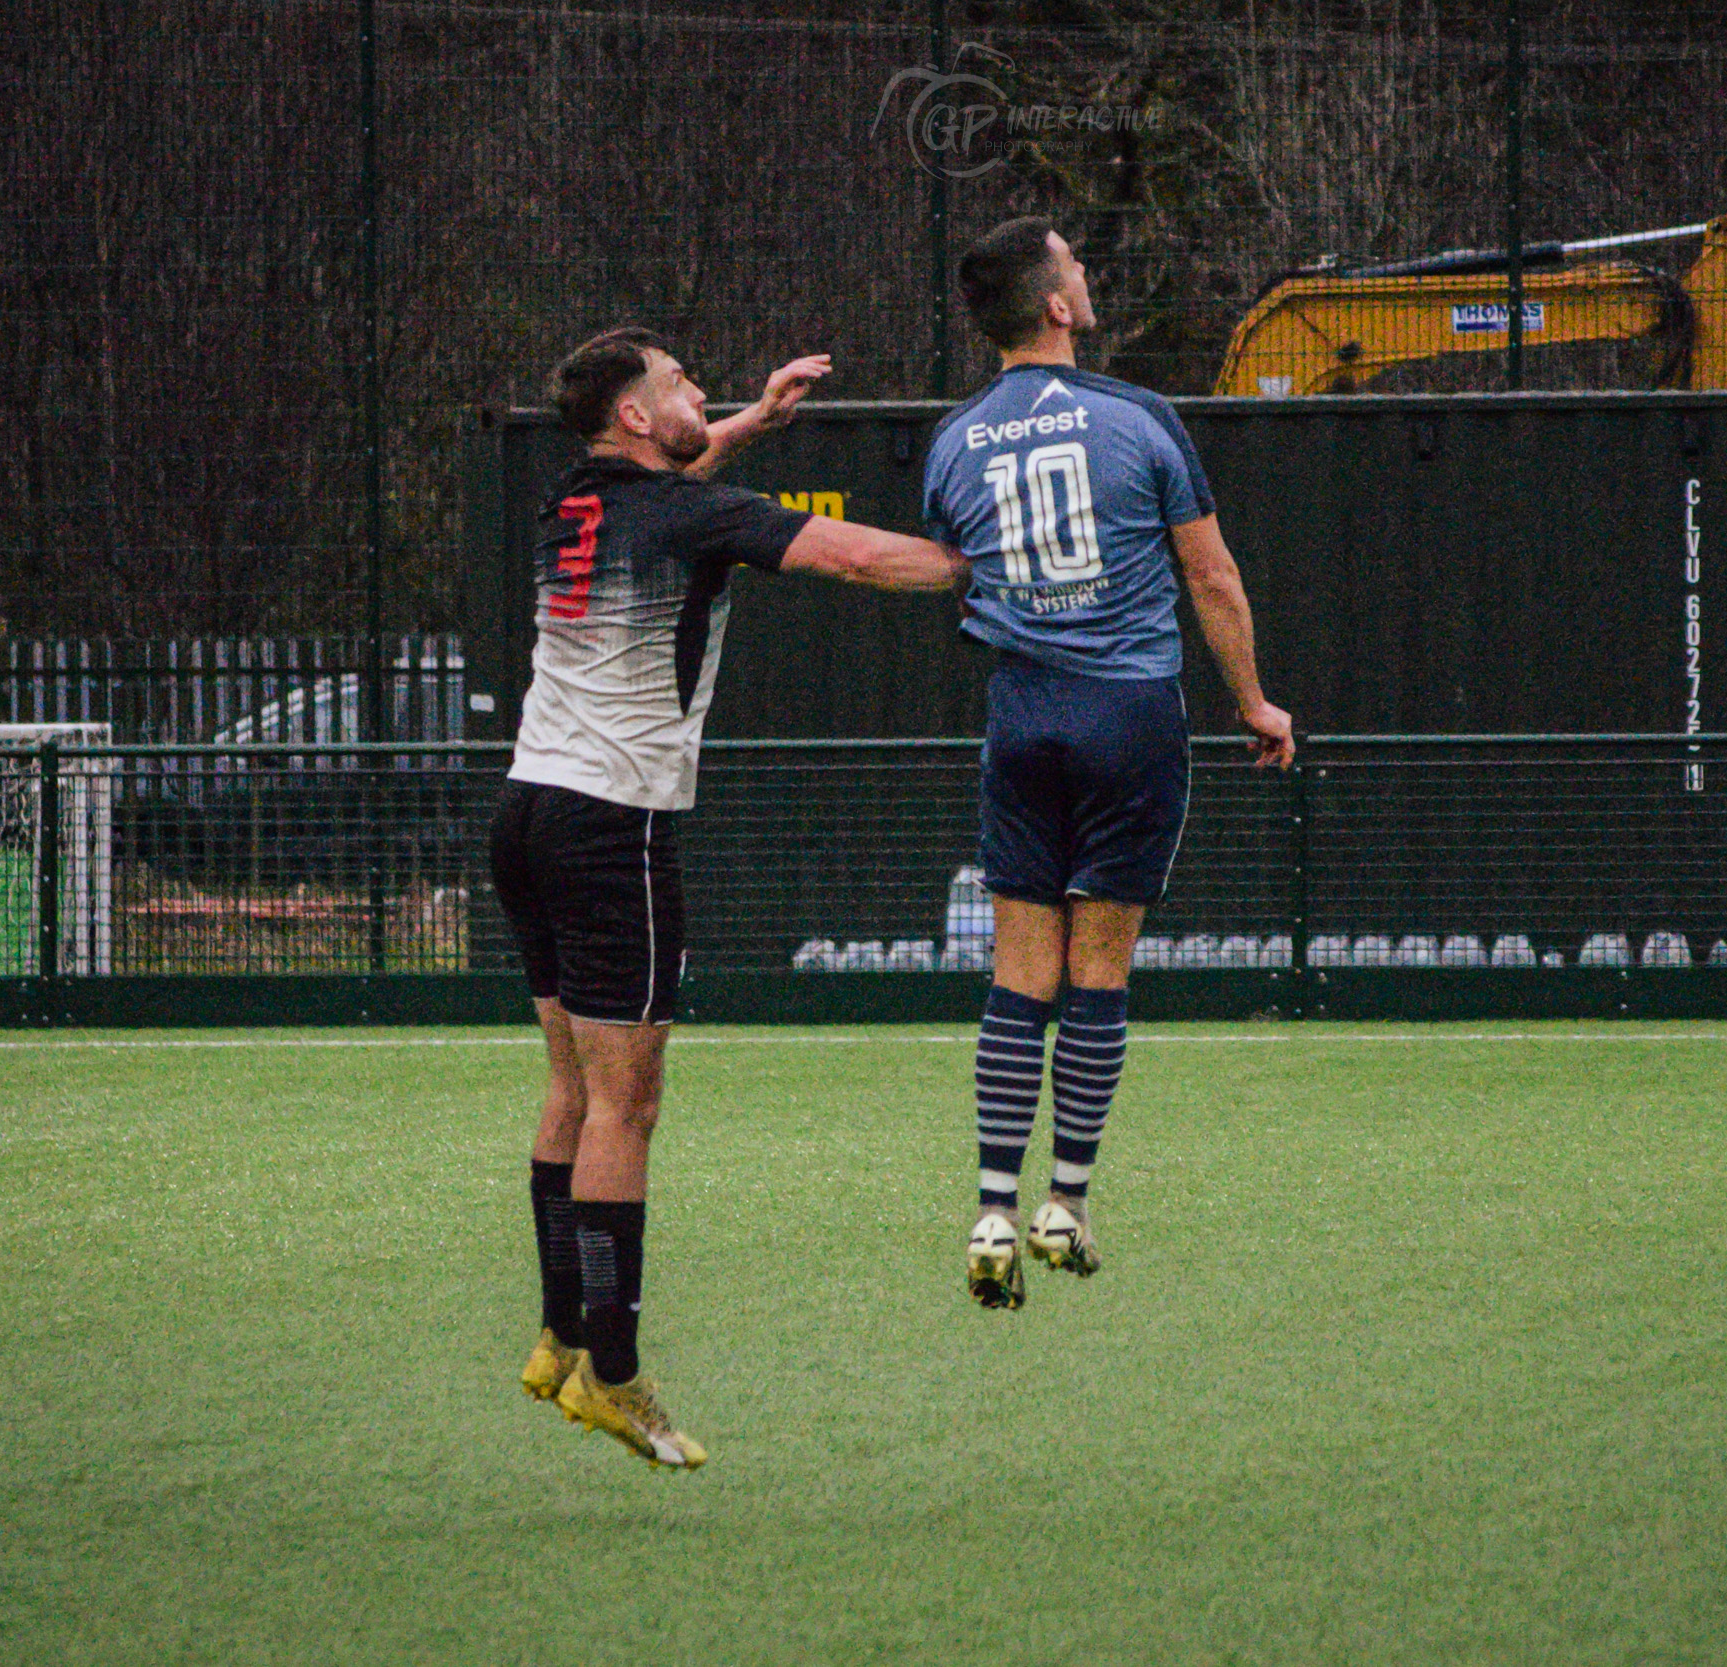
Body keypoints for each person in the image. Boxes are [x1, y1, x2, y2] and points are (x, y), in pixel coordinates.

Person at [496, 327, 968, 1466]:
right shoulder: (686, 515)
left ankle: (560, 1337)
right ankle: (615, 1374)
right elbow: (852, 558)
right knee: (626, 1107)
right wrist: (979, 565)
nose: (694, 388)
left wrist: (751, 417)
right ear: (630, 416)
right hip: (614, 826)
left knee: (571, 1088)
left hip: (525, 812)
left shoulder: (581, 497)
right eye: (675, 383)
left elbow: (681, 474)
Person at [922, 220, 1295, 1310]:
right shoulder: (1139, 419)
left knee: (1016, 972)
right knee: (1098, 975)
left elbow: (957, 569)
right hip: (1128, 714)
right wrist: (1254, 702)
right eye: (1074, 265)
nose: (1084, 274)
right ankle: (1065, 1201)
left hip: (1021, 714)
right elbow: (1212, 579)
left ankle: (992, 1202)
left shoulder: (952, 443)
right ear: (1056, 307)